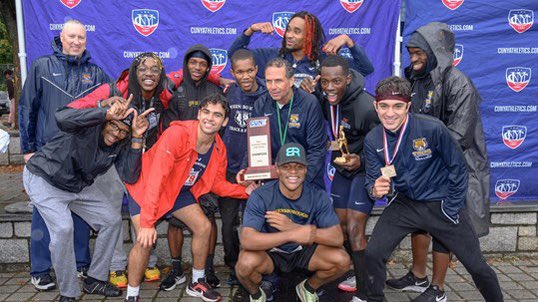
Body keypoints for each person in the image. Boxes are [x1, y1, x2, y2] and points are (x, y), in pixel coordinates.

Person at [363, 76, 502, 302]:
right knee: (373, 253)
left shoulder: (432, 128)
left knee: (477, 266)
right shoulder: (373, 139)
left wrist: (451, 206)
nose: (390, 113)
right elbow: (371, 179)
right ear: (375, 106)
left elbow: (458, 168)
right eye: (384, 106)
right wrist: (374, 189)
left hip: (441, 203)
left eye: (398, 106)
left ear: (408, 106)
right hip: (405, 203)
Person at [386, 22, 490, 302]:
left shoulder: (459, 83)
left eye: (419, 52)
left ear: (436, 52)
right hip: (424, 165)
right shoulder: (417, 80)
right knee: (420, 219)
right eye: (410, 53)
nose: (413, 58)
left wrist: (424, 157)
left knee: (444, 224)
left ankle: (438, 289)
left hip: (453, 168)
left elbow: (460, 134)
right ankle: (418, 276)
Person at [123, 93, 258, 302]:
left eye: (217, 115)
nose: (210, 118)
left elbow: (216, 184)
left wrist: (245, 192)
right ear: (198, 113)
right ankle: (132, 295)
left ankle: (196, 282)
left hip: (178, 191)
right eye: (206, 112)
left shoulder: (218, 147)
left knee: (203, 227)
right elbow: (157, 179)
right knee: (144, 240)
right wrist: (148, 223)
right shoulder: (177, 134)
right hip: (147, 188)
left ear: (225, 121)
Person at [22, 98, 153, 302]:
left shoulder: (120, 143)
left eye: (122, 132)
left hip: (76, 185)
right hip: (44, 178)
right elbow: (61, 116)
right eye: (113, 126)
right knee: (64, 229)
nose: (116, 133)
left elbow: (130, 174)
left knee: (111, 219)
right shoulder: (89, 124)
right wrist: (104, 113)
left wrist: (136, 139)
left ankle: (95, 280)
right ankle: (68, 293)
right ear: (107, 121)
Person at [68, 52, 175, 287]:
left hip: (143, 164)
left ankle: (148, 261)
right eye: (143, 69)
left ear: (161, 73)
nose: (149, 74)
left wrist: (220, 81)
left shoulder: (164, 93)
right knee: (111, 212)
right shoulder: (115, 90)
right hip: (112, 162)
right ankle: (116, 266)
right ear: (134, 72)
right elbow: (74, 110)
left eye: (155, 69)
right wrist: (102, 106)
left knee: (146, 212)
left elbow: (186, 75)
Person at [18, 19, 110, 291]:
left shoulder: (95, 74)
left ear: (86, 40)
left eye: (81, 38)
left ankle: (81, 264)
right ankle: (41, 270)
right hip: (46, 157)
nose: (76, 42)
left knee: (78, 213)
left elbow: (111, 106)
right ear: (61, 38)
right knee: (44, 216)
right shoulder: (41, 67)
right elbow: (27, 109)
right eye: (71, 37)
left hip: (79, 158)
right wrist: (27, 148)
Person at [236, 143, 350, 302]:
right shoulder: (261, 195)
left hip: (302, 251)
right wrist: (292, 233)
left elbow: (337, 237)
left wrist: (294, 227)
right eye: (286, 167)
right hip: (271, 251)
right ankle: (257, 294)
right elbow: (247, 240)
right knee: (245, 264)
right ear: (277, 169)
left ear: (305, 169)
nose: (293, 172)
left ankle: (308, 287)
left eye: (298, 167)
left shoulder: (317, 195)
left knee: (342, 260)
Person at [158, 44, 224, 291]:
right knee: (175, 222)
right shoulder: (174, 89)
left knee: (207, 216)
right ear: (187, 64)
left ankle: (207, 268)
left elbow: (219, 123)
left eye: (203, 64)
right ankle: (176, 270)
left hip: (205, 165)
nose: (197, 67)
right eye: (193, 63)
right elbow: (166, 124)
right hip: (178, 166)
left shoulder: (215, 89)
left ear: (208, 67)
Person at [316, 55, 378, 301]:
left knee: (354, 226)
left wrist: (361, 160)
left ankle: (365, 292)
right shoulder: (326, 98)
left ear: (348, 79)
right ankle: (353, 273)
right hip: (342, 169)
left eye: (337, 81)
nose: (330, 87)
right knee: (340, 225)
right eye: (325, 82)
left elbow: (381, 147)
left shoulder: (365, 106)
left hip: (364, 170)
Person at [228, 11, 373, 93]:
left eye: (297, 32)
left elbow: (365, 69)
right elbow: (235, 55)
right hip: (277, 129)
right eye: (289, 30)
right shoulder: (272, 56)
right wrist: (250, 31)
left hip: (311, 132)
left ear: (310, 36)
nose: (289, 35)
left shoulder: (325, 60)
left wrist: (349, 42)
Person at [218, 49, 267, 286]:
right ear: (233, 73)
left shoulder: (267, 96)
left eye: (250, 71)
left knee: (254, 222)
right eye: (240, 72)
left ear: (256, 70)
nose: (245, 76)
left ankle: (256, 265)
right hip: (228, 172)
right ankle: (233, 266)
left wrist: (252, 168)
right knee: (228, 224)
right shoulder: (228, 93)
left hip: (256, 172)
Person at [238, 57, 327, 190]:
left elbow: (317, 150)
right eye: (269, 81)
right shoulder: (261, 104)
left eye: (278, 81)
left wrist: (299, 180)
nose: (273, 87)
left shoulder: (309, 103)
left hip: (304, 179)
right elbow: (253, 142)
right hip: (272, 178)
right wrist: (246, 170)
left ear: (291, 81)